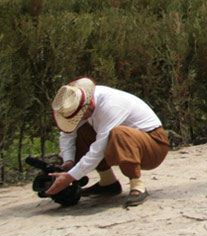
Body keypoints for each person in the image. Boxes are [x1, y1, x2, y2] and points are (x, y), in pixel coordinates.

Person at [47, 77, 170, 207]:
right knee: (83, 131)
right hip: (124, 142)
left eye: (80, 116)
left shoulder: (111, 105)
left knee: (119, 133)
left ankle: (137, 185)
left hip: (154, 146)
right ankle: (108, 182)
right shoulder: (80, 101)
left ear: (88, 105)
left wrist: (71, 177)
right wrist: (68, 162)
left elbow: (99, 148)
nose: (80, 119)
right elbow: (68, 134)